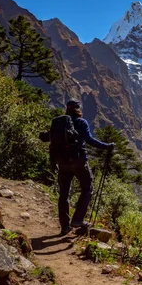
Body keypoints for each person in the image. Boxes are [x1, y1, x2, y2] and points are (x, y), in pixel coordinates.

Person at [57, 99, 114, 236]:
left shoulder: (59, 122)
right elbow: (89, 140)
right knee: (87, 188)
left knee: (64, 194)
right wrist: (107, 146)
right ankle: (77, 219)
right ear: (77, 108)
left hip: (62, 162)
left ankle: (65, 226)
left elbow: (48, 137)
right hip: (78, 161)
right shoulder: (81, 122)